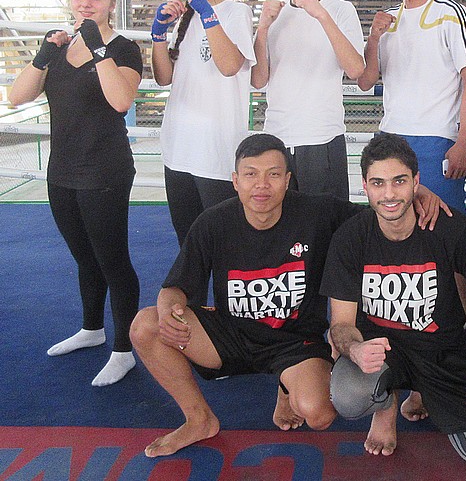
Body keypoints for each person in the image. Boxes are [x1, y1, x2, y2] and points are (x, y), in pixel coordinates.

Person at [131, 133, 448, 457]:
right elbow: (176, 285)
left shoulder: (317, 213)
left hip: (294, 342)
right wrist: (169, 310)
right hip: (230, 333)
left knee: (319, 413)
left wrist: (415, 191)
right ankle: (199, 418)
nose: (262, 185)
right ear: (235, 181)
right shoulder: (213, 223)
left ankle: (287, 384)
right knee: (146, 325)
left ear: (288, 180)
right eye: (251, 174)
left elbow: (380, 213)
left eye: (273, 174)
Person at [322, 133, 466, 475]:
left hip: (443, 353)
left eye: (399, 181)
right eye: (378, 183)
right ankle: (387, 406)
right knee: (349, 396)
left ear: (416, 182)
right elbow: (340, 324)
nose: (390, 194)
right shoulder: (350, 237)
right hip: (383, 352)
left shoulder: (450, 227)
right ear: (365, 186)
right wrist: (355, 351)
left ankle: (428, 393)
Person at [10, 0, 143, 387]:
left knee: (112, 260)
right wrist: (41, 57)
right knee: (84, 257)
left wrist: (98, 48)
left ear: (111, 3)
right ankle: (92, 329)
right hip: (62, 170)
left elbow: (121, 101)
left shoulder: (123, 48)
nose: (87, 3)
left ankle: (124, 350)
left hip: (104, 171)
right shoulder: (57, 45)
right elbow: (16, 97)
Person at [357, 0, 466, 214]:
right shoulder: (386, 19)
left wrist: (464, 143)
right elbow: (366, 80)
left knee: (444, 225)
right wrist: (374, 37)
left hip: (437, 140)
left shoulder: (452, 13)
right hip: (390, 137)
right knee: (394, 224)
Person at [151, 0, 256, 256]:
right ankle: (193, 306)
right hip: (178, 147)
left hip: (216, 152)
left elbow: (229, 66)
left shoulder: (236, 11)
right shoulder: (183, 18)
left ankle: (227, 307)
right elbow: (163, 78)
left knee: (226, 248)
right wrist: (157, 34)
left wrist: (206, 11)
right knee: (189, 247)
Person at [251, 0, 364, 199]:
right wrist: (263, 27)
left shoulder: (340, 9)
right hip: (277, 137)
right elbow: (258, 81)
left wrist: (321, 15)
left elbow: (356, 70)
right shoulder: (273, 14)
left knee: (326, 226)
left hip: (322, 137)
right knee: (281, 226)